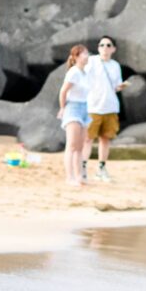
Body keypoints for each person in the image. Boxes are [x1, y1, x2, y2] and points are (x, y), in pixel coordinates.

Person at [83, 36, 125, 183]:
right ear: (98, 47)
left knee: (105, 139)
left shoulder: (115, 66)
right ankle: (82, 168)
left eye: (108, 45)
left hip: (110, 106)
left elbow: (116, 86)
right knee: (87, 139)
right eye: (102, 45)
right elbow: (82, 74)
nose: (105, 48)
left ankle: (101, 168)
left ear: (113, 49)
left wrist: (120, 87)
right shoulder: (92, 61)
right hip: (93, 106)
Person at [58, 45, 91, 186]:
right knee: (71, 145)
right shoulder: (73, 72)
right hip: (73, 107)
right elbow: (63, 91)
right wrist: (62, 108)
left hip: (85, 107)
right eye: (84, 54)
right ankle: (69, 177)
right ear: (76, 57)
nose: (87, 56)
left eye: (87, 53)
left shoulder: (85, 73)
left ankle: (79, 176)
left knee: (79, 146)